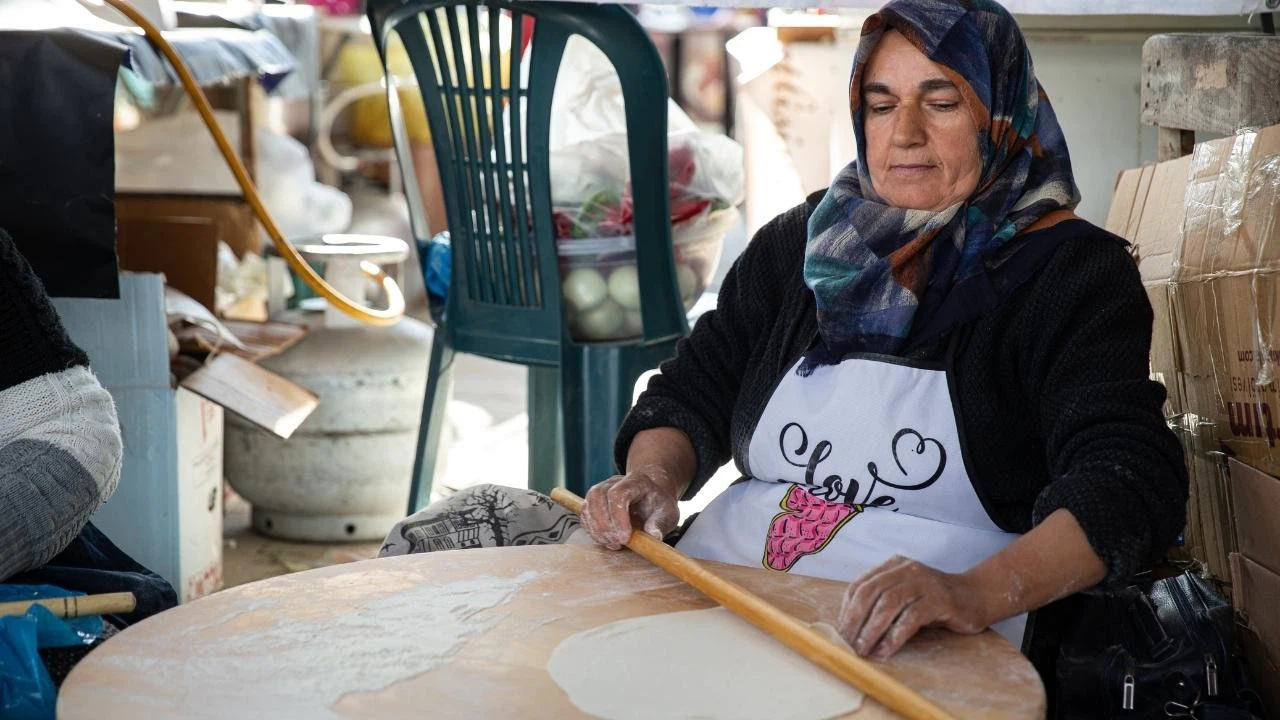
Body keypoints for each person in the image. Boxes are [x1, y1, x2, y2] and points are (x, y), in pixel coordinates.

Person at [381, 0, 1187, 670]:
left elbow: (1125, 482)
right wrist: (653, 483)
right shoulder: (810, 242)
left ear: (999, 116)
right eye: (881, 102)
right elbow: (690, 390)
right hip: (718, 591)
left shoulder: (1069, 275)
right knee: (450, 533)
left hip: (913, 644)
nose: (903, 131)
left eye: (942, 101)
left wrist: (973, 593)